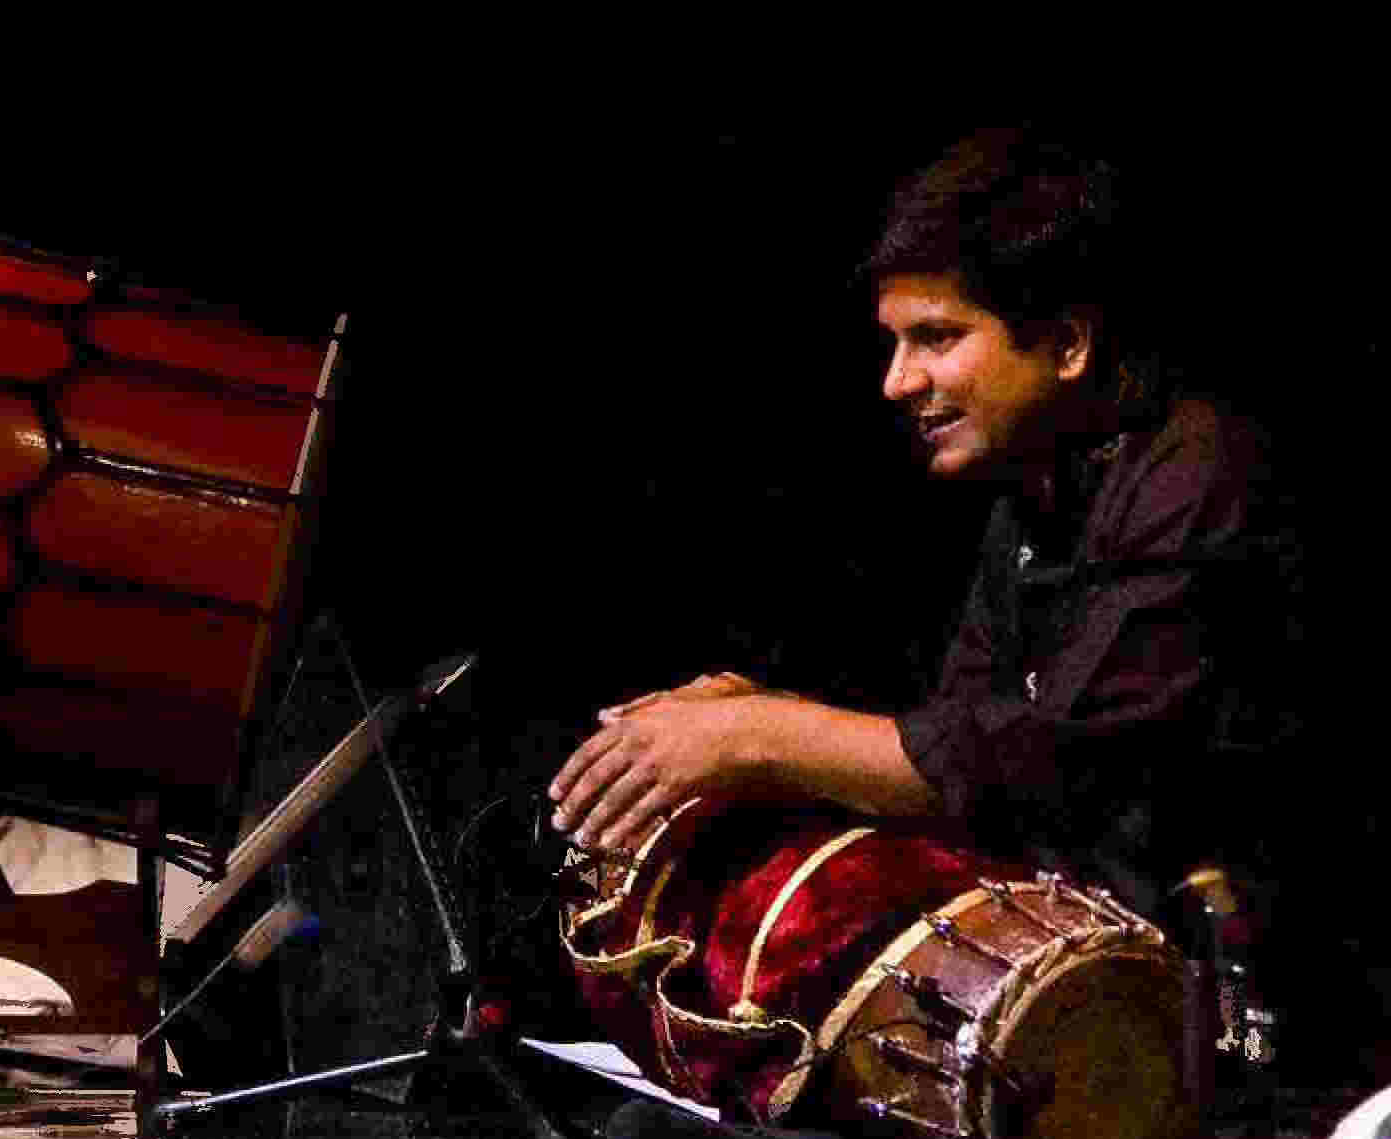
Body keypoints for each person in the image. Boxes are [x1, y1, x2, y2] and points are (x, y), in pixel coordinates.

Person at [544, 125, 1313, 946]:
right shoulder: (1036, 490)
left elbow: (1046, 765)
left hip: (1280, 1021)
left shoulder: (1199, 471)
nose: (896, 381)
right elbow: (961, 746)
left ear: (1067, 345)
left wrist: (754, 735)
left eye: (937, 338)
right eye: (894, 343)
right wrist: (752, 719)